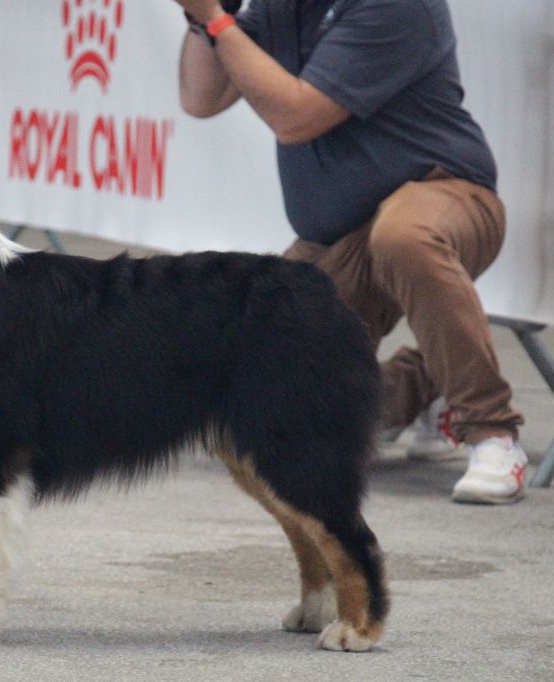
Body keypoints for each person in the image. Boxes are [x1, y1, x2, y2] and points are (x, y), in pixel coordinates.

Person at [174, 0, 527, 504]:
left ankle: (492, 432)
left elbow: (296, 116)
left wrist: (216, 21)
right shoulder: (280, 9)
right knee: (265, 417)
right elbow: (199, 98)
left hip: (448, 196)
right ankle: (426, 381)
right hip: (340, 237)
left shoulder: (398, 6)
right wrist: (204, 19)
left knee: (403, 237)